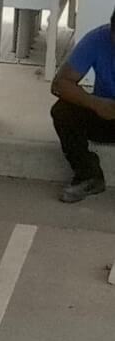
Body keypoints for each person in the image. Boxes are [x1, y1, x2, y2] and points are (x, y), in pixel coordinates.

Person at [50, 12, 115, 202]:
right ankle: (88, 175)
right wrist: (95, 103)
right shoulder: (97, 39)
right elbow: (59, 84)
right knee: (62, 111)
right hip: (106, 113)